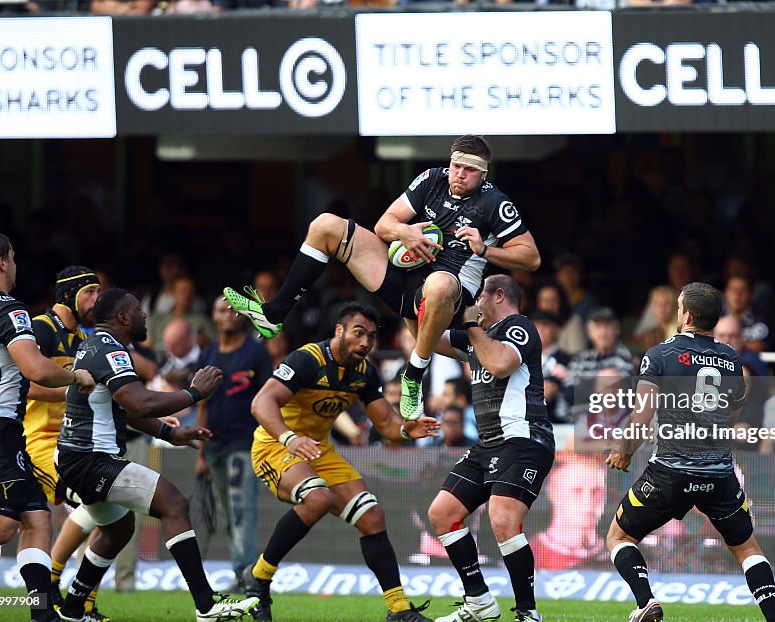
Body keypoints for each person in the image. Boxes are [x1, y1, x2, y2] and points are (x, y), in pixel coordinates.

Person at [224, 135, 542, 423]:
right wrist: (404, 231)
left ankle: (414, 375)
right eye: (456, 165)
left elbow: (531, 257)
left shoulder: (495, 203)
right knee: (325, 226)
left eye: (468, 170)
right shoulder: (431, 179)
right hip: (403, 278)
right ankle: (273, 313)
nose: (459, 174)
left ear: (483, 174)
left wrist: (485, 250)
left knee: (439, 284)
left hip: (446, 294)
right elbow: (383, 225)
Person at [54, 288, 258, 622]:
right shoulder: (110, 351)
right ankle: (206, 606)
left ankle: (74, 608)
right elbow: (139, 402)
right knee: (174, 503)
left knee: (118, 530)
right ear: (122, 317)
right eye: (137, 309)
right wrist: (193, 393)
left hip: (78, 458)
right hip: (90, 460)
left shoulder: (98, 346)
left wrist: (169, 433)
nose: (144, 314)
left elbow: (125, 407)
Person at [243, 302, 440, 622]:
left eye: (372, 337)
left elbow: (387, 424)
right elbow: (261, 402)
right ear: (339, 331)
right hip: (275, 445)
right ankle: (259, 581)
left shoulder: (364, 373)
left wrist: (407, 429)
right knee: (317, 496)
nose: (365, 342)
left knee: (372, 515)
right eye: (358, 333)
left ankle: (399, 609)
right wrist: (290, 438)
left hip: (319, 450)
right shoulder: (307, 359)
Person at [604, 282, 775, 622]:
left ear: (685, 314)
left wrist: (624, 450)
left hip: (669, 473)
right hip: (718, 474)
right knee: (747, 548)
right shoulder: (732, 359)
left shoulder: (660, 355)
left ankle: (646, 602)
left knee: (619, 535)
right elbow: (731, 417)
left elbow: (642, 414)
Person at [0, 232, 96, 622]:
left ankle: (41, 612)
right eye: (14, 259)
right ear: (3, 262)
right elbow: (35, 369)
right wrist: (77, 377)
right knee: (2, 527)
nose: (16, 266)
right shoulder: (10, 309)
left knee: (37, 517)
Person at [428, 274, 554, 622]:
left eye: (478, 297)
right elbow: (423, 336)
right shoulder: (474, 337)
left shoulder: (520, 326)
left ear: (498, 295)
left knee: (502, 519)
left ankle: (528, 613)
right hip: (489, 444)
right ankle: (479, 601)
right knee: (442, 513)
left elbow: (499, 364)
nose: (474, 305)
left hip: (525, 438)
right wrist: (424, 298)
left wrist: (471, 326)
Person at [17, 265, 114, 621]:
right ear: (67, 295)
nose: (96, 300)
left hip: (70, 442)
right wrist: (70, 389)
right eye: (89, 292)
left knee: (107, 511)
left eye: (99, 293)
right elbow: (22, 382)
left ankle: (64, 586)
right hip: (37, 442)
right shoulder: (39, 328)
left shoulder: (82, 340)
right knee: (107, 508)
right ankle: (74, 599)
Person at [195, 296, 271, 588]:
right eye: (220, 310)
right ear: (213, 317)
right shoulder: (208, 354)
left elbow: (268, 397)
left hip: (244, 442)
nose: (226, 314)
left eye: (231, 309)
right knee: (227, 511)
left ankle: (246, 575)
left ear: (241, 316)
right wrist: (200, 453)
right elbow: (200, 402)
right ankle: (241, 572)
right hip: (213, 444)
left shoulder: (256, 353)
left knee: (242, 510)